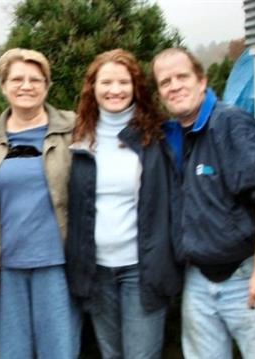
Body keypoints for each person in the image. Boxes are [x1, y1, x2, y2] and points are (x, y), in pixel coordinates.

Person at [152, 47, 255, 359]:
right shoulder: (174, 137)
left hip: (245, 277)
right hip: (199, 281)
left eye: (182, 77)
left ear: (202, 81)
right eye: (165, 81)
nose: (174, 86)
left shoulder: (231, 124)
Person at [65, 49, 182, 359]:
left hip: (141, 269)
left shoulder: (157, 136)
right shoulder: (78, 136)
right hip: (97, 269)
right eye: (106, 82)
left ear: (136, 87)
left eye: (123, 82)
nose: (114, 90)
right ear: (93, 87)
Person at [0, 48, 80, 359]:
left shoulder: (73, 128)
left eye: (35, 79)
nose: (26, 86)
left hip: (57, 264)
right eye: (17, 79)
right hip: (6, 267)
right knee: (13, 353)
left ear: (47, 86)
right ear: (3, 86)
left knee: (60, 352)